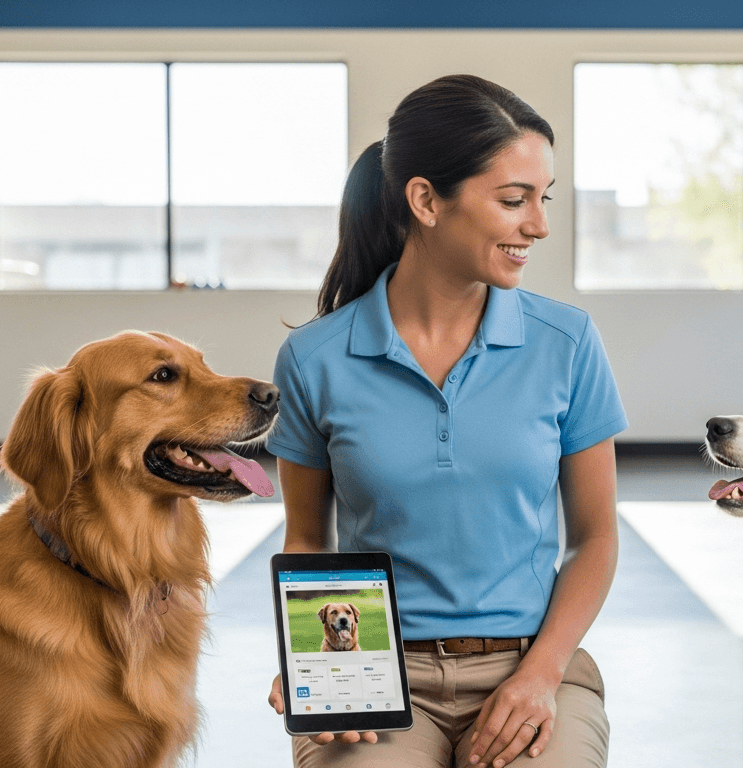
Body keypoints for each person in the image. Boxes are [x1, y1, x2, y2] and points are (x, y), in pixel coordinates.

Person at [264, 74, 626, 768]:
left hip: (533, 662)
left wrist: (542, 673)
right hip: (374, 665)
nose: (539, 225)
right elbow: (309, 537)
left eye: (543, 199)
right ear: (426, 200)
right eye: (513, 200)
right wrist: (317, 663)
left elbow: (595, 539)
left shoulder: (567, 342)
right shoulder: (314, 359)